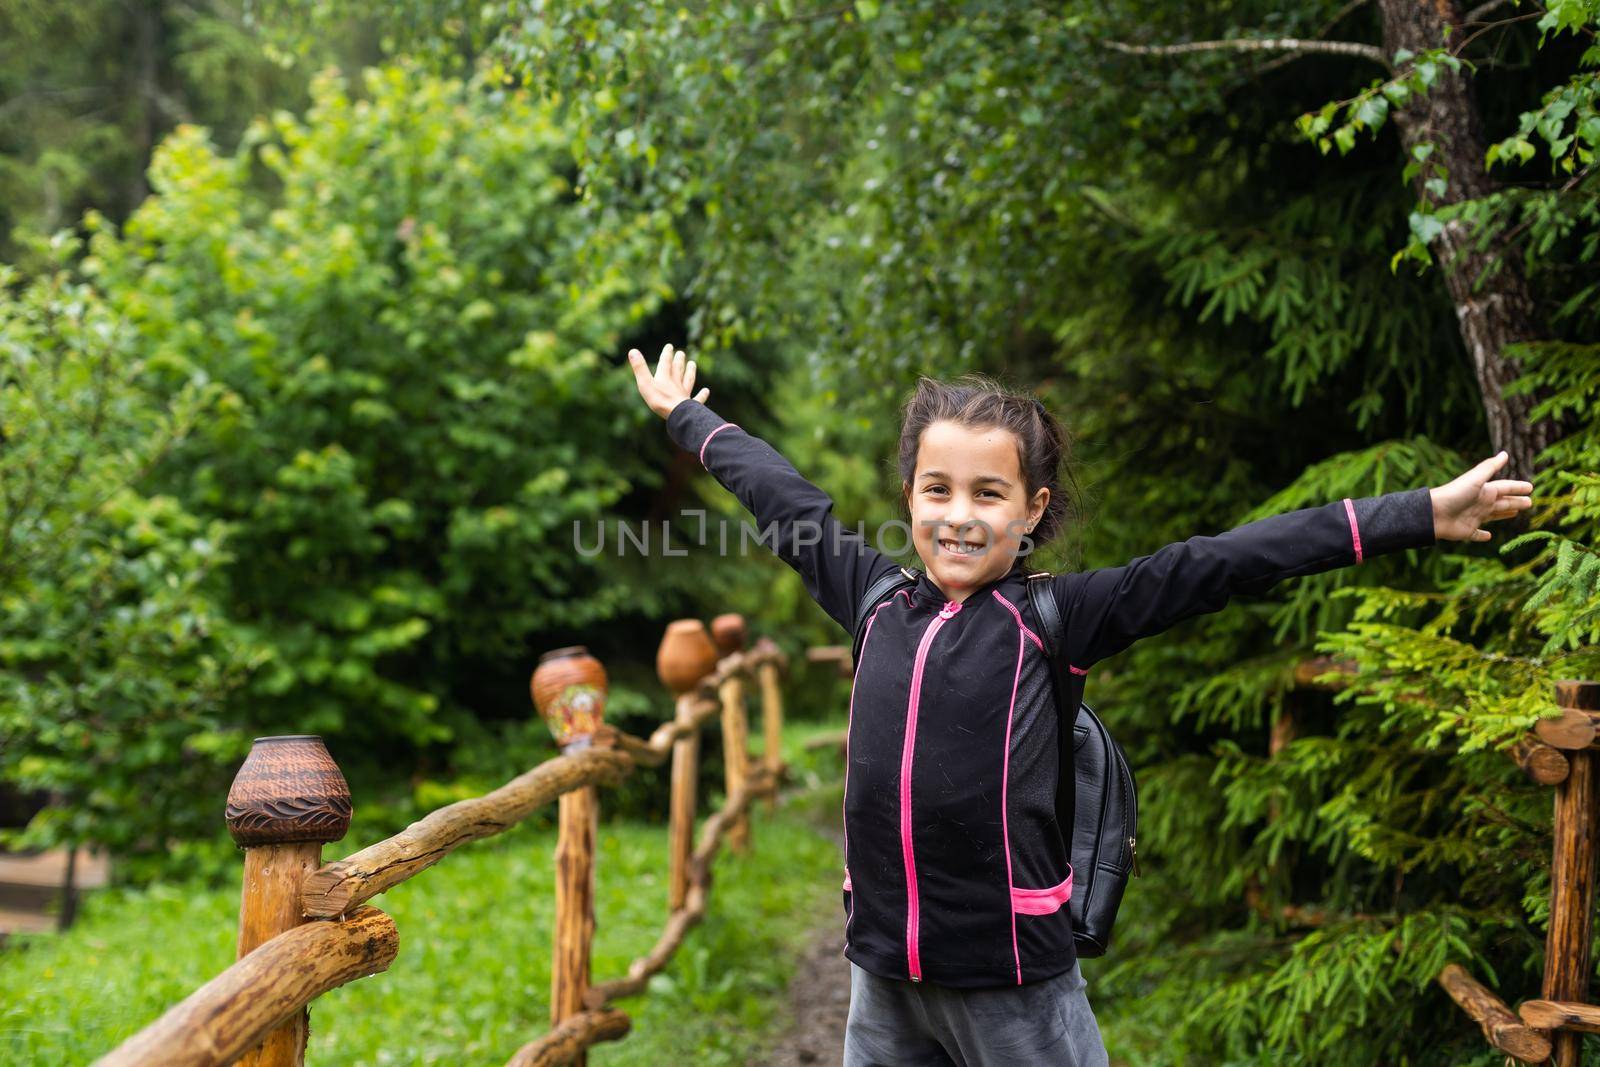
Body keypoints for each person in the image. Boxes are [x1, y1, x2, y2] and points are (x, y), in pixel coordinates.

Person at [626, 343, 1535, 1066]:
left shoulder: (1055, 618)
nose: (959, 516)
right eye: (937, 490)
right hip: (885, 974)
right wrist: (686, 417)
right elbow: (778, 493)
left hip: (1013, 980)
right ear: (908, 497)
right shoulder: (872, 601)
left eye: (989, 494)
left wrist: (1415, 513)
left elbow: (1221, 562)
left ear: (1032, 510)